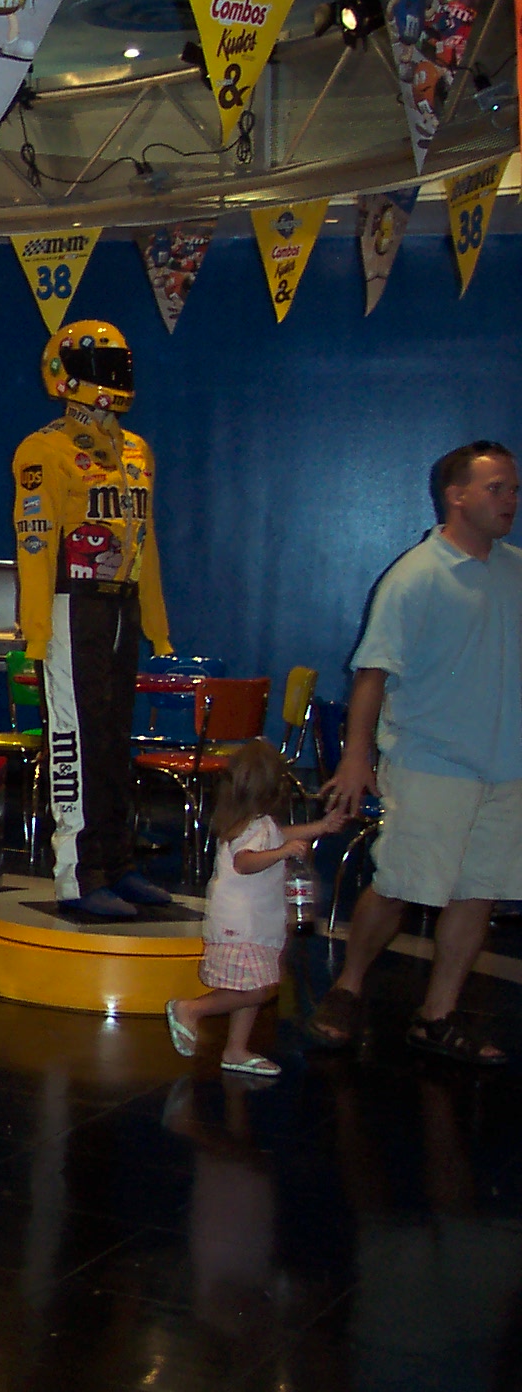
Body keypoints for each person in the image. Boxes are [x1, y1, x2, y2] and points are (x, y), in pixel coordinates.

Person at [309, 441, 522, 1065]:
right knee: (400, 885)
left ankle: (437, 1016)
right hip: (431, 765)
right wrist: (356, 758)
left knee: (477, 891)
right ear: (456, 496)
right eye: (497, 489)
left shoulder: (516, 571)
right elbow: (372, 673)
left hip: (506, 769)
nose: (511, 500)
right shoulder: (415, 576)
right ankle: (348, 990)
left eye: (514, 489)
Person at [13, 320, 174, 918]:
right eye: (103, 367)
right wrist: (37, 627)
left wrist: (155, 620)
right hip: (70, 602)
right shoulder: (43, 450)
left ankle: (116, 862)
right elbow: (34, 542)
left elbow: (147, 541)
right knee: (76, 737)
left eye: (120, 366)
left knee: (113, 738)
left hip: (121, 602)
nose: (114, 379)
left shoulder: (137, 452)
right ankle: (77, 875)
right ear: (66, 373)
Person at [166, 742, 346, 1074]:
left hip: (253, 922)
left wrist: (320, 828)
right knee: (256, 990)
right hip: (244, 924)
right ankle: (191, 1009)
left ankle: (236, 1049)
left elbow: (279, 834)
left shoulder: (251, 823)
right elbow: (245, 862)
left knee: (251, 983)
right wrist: (282, 853)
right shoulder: (253, 828)